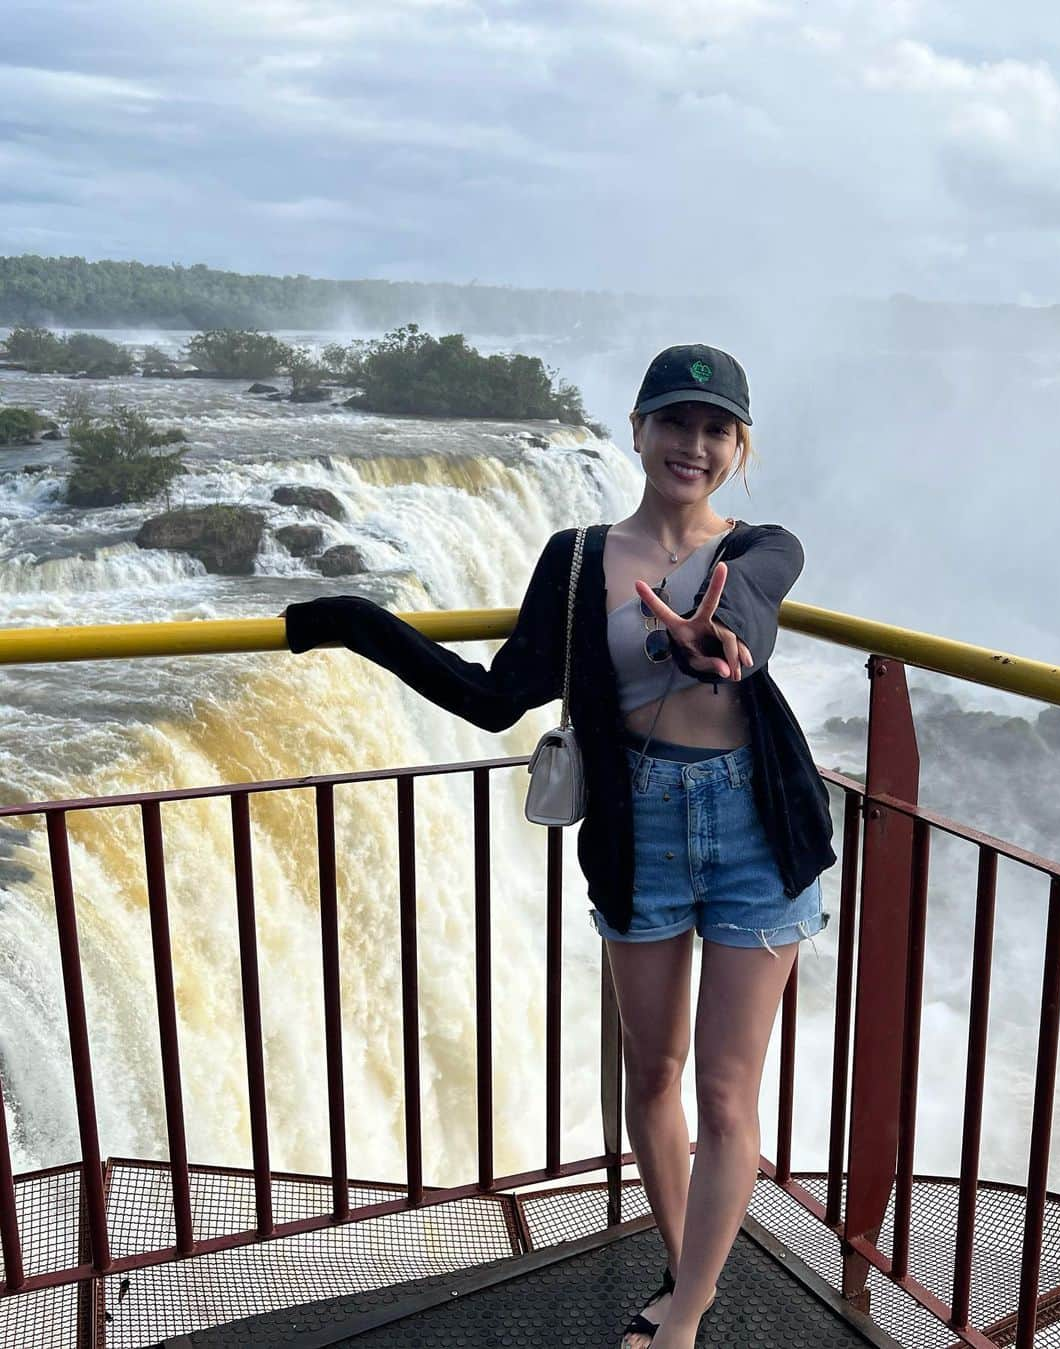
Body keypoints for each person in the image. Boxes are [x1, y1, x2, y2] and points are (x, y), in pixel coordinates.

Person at [279, 343, 837, 1349]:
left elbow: (744, 614)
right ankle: (689, 1276)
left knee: (723, 1087)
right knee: (652, 1070)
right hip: (642, 828)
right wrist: (362, 622)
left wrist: (699, 640)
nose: (693, 444)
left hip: (756, 822)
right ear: (638, 427)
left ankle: (681, 1322)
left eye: (716, 429)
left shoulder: (764, 547)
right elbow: (498, 694)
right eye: (676, 421)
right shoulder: (578, 559)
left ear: (738, 447)